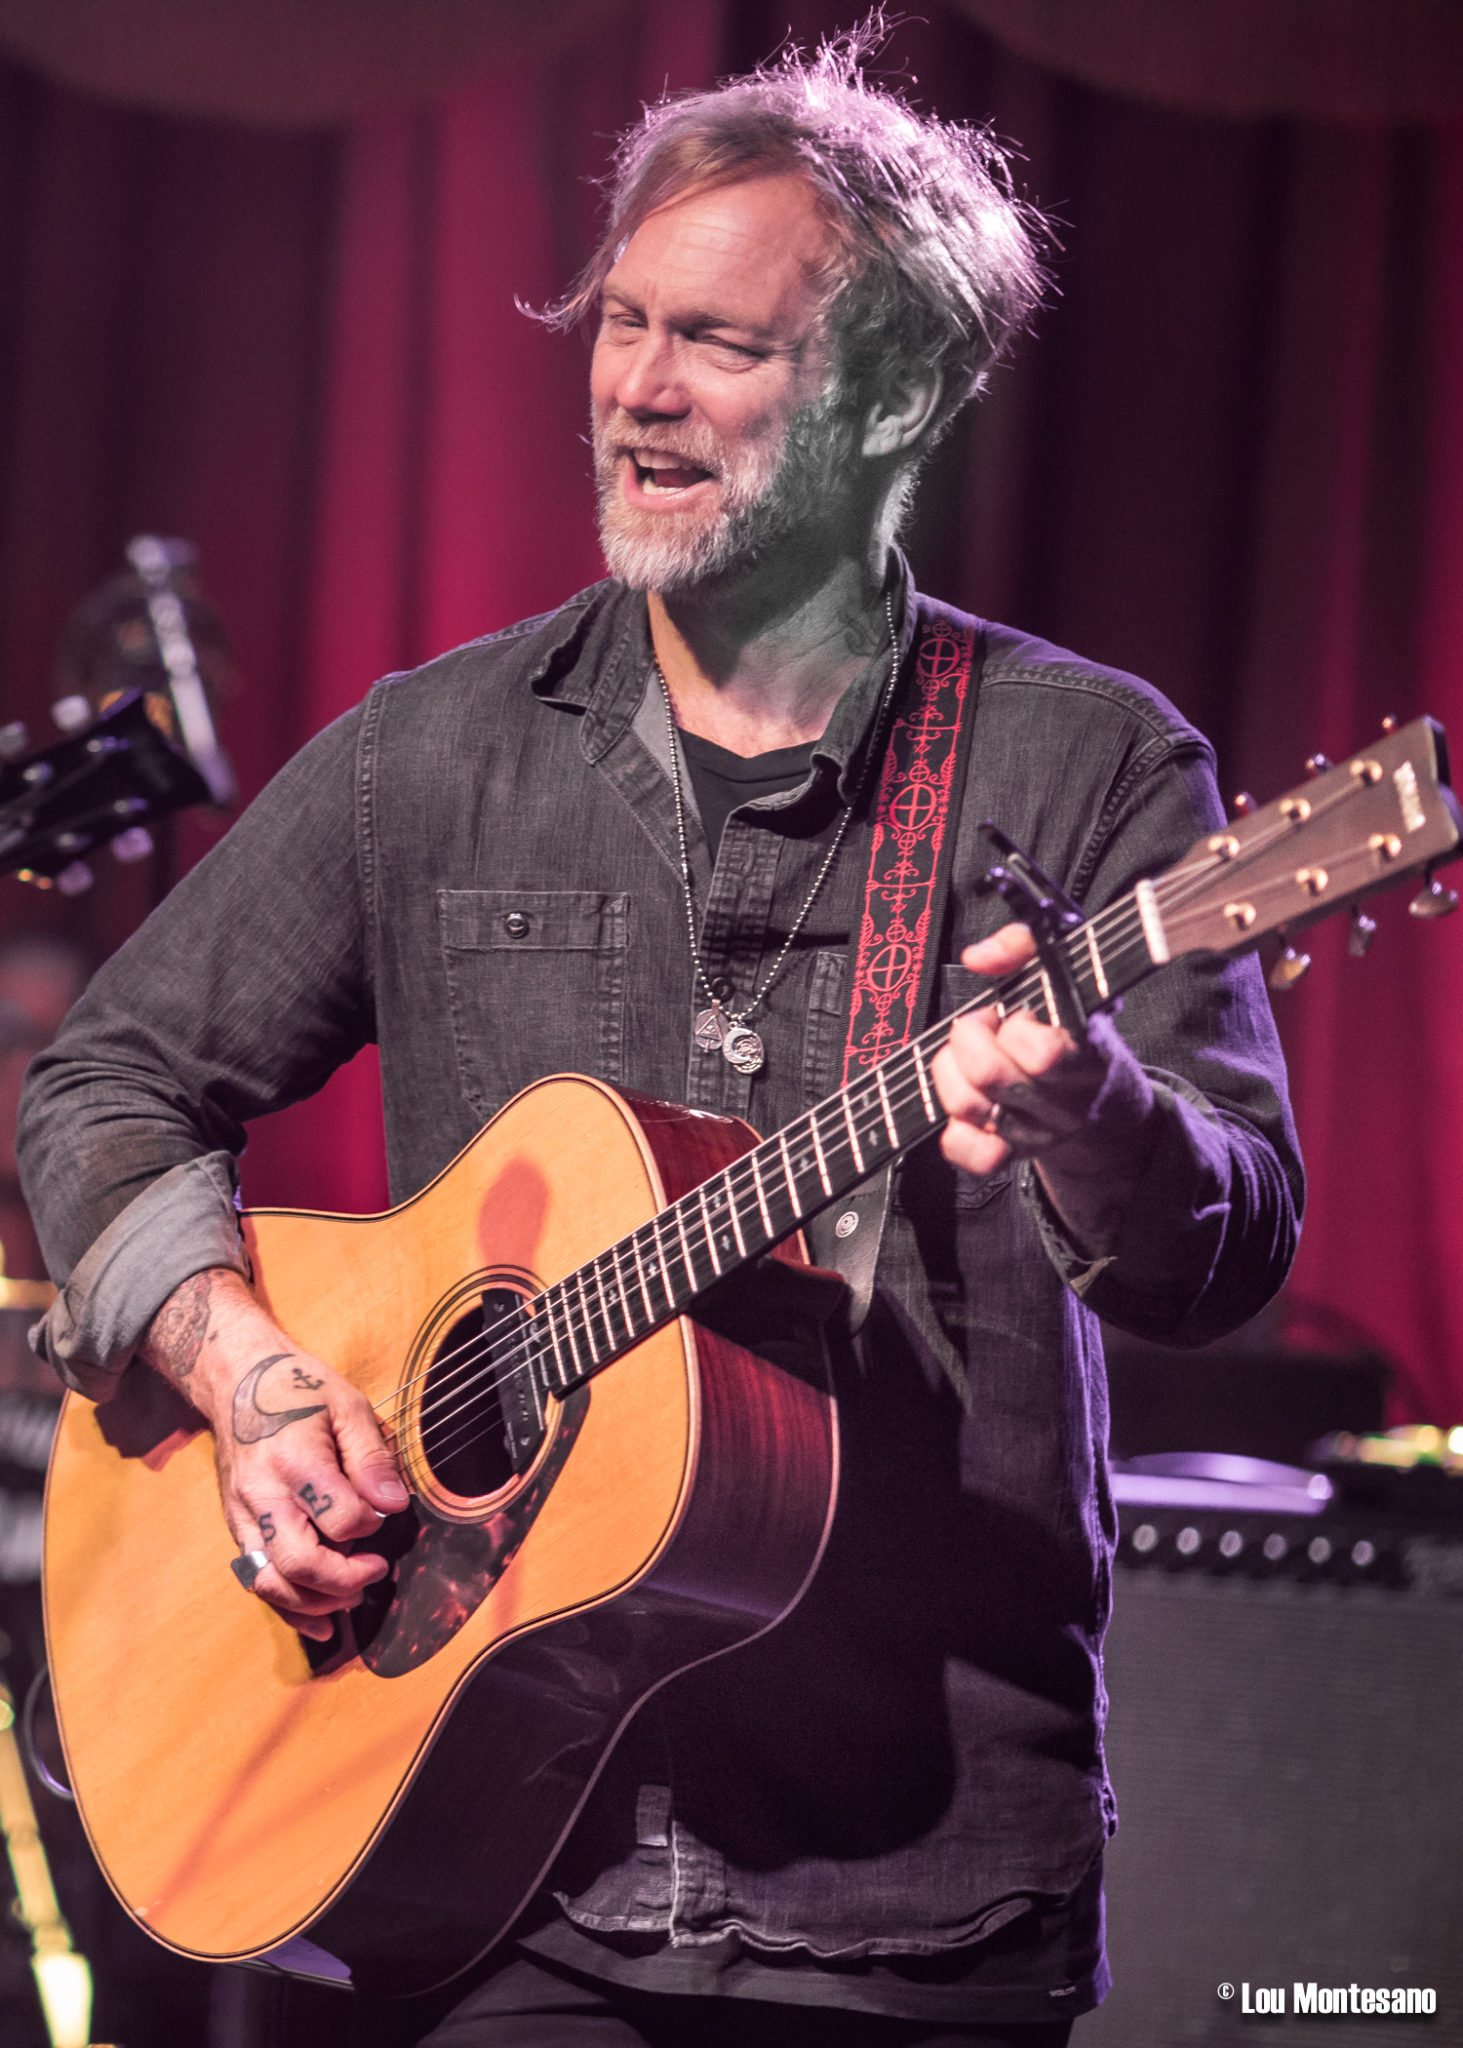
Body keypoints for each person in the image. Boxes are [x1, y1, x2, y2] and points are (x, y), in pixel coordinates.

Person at [17, 31, 1301, 2048]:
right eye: (621, 322)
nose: (637, 387)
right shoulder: (433, 752)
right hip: (484, 1865)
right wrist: (251, 1381)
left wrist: (1102, 1118)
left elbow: (1226, 1244)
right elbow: (108, 1082)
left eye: (718, 341)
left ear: (897, 394)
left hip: (916, 1900)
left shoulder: (1090, 767)